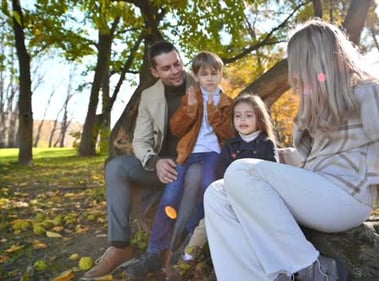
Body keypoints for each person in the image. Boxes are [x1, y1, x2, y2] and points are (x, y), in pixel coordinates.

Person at [203, 19, 379, 281]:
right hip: (318, 192)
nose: (294, 73)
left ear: (314, 59)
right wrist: (274, 156)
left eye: (297, 62)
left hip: (346, 199)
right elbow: (307, 160)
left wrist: (371, 189)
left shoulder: (371, 92)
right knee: (217, 192)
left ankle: (314, 271)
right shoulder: (317, 103)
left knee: (241, 172)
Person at [82, 40, 202, 281]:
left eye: (177, 63)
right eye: (166, 68)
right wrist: (154, 161)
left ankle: (177, 255)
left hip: (192, 165)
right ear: (155, 71)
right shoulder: (149, 96)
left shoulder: (200, 83)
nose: (175, 71)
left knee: (197, 178)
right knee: (116, 167)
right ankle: (120, 246)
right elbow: (140, 141)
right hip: (158, 167)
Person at [170, 93, 279, 279]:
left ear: (259, 119)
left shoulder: (267, 144)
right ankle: (187, 258)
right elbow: (221, 173)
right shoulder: (230, 146)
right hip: (230, 196)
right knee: (204, 225)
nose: (242, 120)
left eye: (248, 115)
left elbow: (273, 173)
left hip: (258, 200)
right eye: (238, 116)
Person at [153, 51, 234, 275]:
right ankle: (157, 247)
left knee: (209, 189)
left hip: (213, 154)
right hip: (187, 154)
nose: (209, 78)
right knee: (170, 195)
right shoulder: (191, 97)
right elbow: (176, 129)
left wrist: (214, 112)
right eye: (203, 74)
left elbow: (229, 133)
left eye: (214, 74)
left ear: (220, 75)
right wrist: (189, 109)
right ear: (196, 77)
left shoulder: (228, 102)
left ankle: (192, 234)